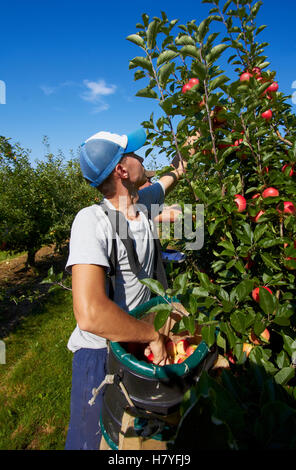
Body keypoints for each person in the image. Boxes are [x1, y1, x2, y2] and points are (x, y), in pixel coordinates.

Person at [64, 128, 187, 450]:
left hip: (136, 343)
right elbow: (90, 314)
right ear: (121, 170)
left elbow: (170, 178)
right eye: (134, 154)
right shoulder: (92, 222)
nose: (142, 158)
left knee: (134, 438)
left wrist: (187, 150)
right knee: (92, 440)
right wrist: (152, 337)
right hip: (100, 355)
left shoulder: (140, 204)